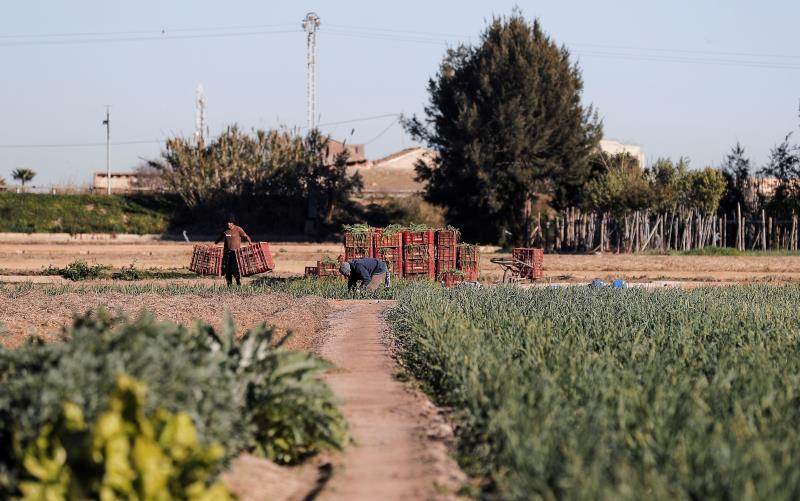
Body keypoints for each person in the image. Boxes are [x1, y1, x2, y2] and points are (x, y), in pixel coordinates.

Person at [215, 215, 252, 286]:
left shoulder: (238, 229)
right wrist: (214, 244)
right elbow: (219, 238)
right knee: (227, 270)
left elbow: (246, 236)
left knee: (235, 269)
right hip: (227, 253)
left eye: (230, 222)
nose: (228, 224)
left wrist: (250, 243)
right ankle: (229, 284)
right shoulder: (225, 230)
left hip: (236, 254)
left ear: (233, 223)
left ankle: (238, 282)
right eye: (227, 222)